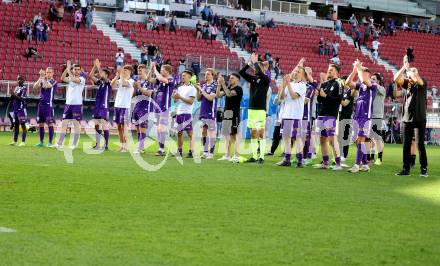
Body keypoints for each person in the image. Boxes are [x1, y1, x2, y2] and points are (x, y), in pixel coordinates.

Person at [394, 55, 428, 177]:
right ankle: (406, 169)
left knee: (419, 144)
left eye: (414, 71)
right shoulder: (408, 84)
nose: (411, 74)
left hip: (420, 117)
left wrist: (410, 70)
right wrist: (404, 67)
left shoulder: (422, 82)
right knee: (406, 144)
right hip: (407, 118)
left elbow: (416, 78)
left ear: (417, 73)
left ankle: (424, 168)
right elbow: (396, 78)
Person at [345, 60, 377, 173]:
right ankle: (365, 165)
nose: (362, 73)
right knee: (358, 141)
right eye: (362, 72)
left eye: (364, 72)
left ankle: (357, 165)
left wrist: (358, 68)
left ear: (368, 74)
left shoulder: (373, 85)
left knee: (361, 140)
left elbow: (364, 79)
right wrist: (354, 70)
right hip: (357, 115)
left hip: (365, 116)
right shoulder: (361, 85)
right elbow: (348, 82)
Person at [239, 53, 271, 164]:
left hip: (261, 110)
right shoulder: (253, 79)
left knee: (261, 133)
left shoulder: (266, 79)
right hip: (251, 109)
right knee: (253, 133)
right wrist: (249, 63)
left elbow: (261, 73)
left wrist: (256, 62)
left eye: (259, 67)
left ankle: (261, 157)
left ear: (263, 69)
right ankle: (254, 156)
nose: (256, 69)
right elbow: (241, 73)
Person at [276, 59, 307, 167]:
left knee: (297, 137)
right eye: (295, 71)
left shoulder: (302, 85)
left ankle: (299, 160)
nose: (295, 72)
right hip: (286, 114)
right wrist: (284, 85)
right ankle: (287, 159)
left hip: (295, 115)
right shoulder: (291, 83)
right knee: (286, 137)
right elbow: (281, 98)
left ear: (302, 75)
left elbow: (294, 96)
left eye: (298, 72)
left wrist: (288, 84)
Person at [314, 64, 343, 170]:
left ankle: (338, 163)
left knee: (331, 138)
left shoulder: (338, 83)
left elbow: (338, 99)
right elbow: (320, 100)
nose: (329, 71)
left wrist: (325, 96)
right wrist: (319, 95)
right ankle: (325, 163)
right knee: (322, 139)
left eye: (331, 70)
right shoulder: (325, 84)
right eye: (328, 69)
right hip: (322, 113)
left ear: (336, 72)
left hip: (331, 114)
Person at [57, 62, 86, 149]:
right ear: (73, 70)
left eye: (78, 69)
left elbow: (74, 80)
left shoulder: (82, 79)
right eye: (75, 69)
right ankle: (60, 143)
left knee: (76, 125)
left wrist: (69, 70)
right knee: (64, 124)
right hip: (68, 104)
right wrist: (67, 68)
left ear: (80, 71)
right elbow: (62, 78)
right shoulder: (70, 77)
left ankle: (74, 144)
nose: (77, 71)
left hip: (77, 104)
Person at [149, 63, 176, 156]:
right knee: (158, 129)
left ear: (167, 71)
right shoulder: (160, 79)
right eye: (161, 70)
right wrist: (151, 69)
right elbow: (149, 79)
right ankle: (161, 148)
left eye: (162, 70)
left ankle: (162, 149)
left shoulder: (171, 79)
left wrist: (155, 70)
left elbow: (161, 78)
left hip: (165, 107)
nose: (161, 71)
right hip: (157, 106)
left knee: (162, 128)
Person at [216, 73, 243, 162]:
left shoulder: (238, 89)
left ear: (237, 80)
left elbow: (229, 94)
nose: (230, 79)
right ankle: (227, 155)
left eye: (232, 78)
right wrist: (219, 85)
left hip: (234, 113)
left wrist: (223, 84)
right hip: (226, 113)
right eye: (230, 78)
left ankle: (236, 155)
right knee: (227, 135)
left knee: (235, 134)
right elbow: (218, 95)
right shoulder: (229, 87)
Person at [88, 59, 112, 150]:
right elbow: (90, 76)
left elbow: (102, 76)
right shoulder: (100, 82)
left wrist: (98, 67)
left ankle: (106, 145)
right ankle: (98, 144)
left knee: (104, 124)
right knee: (96, 124)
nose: (100, 74)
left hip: (103, 106)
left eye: (103, 73)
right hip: (97, 106)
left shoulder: (107, 82)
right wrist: (94, 66)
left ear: (106, 75)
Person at [111, 65, 135, 153]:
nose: (123, 72)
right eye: (123, 70)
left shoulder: (131, 81)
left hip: (125, 106)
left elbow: (125, 84)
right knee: (119, 127)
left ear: (129, 72)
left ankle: (126, 146)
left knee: (124, 127)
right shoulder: (120, 79)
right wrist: (117, 76)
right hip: (117, 105)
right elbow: (112, 85)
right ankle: (121, 145)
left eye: (125, 70)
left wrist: (120, 75)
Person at [173, 70, 197, 158]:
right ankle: (179, 150)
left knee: (190, 133)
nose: (182, 77)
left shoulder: (192, 88)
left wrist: (179, 97)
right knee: (179, 133)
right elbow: (177, 101)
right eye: (182, 75)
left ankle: (191, 151)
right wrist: (175, 97)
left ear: (189, 77)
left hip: (187, 113)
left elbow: (190, 101)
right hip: (179, 112)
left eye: (184, 75)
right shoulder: (180, 88)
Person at [195, 68, 218, 159]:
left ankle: (211, 153)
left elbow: (210, 98)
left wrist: (201, 89)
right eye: (205, 74)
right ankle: (205, 152)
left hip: (210, 112)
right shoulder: (204, 85)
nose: (206, 75)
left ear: (213, 75)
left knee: (211, 133)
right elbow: (199, 99)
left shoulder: (215, 85)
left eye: (208, 74)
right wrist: (198, 90)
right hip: (203, 112)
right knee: (204, 132)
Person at [132, 64, 154, 154]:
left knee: (142, 129)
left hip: (144, 108)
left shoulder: (149, 82)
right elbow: (133, 95)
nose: (139, 72)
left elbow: (149, 93)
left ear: (145, 71)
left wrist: (139, 87)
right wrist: (134, 87)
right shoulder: (138, 82)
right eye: (138, 70)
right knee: (138, 129)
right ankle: (141, 147)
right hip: (137, 107)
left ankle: (140, 148)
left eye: (140, 70)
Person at [34, 67, 57, 147]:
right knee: (40, 124)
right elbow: (35, 86)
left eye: (50, 72)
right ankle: (41, 142)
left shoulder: (54, 82)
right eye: (47, 72)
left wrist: (43, 78)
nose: (48, 74)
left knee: (50, 123)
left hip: (48, 106)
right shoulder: (43, 79)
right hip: (41, 105)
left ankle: (50, 142)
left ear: (53, 73)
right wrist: (40, 77)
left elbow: (47, 86)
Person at [370, 73, 386, 165]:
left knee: (377, 138)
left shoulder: (381, 89)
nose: (372, 80)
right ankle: (371, 157)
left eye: (374, 79)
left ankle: (380, 157)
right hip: (370, 116)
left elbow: (379, 89)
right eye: (371, 79)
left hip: (377, 116)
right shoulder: (371, 89)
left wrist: (373, 83)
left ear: (378, 81)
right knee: (370, 138)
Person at [302, 67, 317, 165]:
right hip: (299, 113)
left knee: (308, 135)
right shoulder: (300, 84)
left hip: (309, 114)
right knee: (300, 136)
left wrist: (307, 73)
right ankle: (302, 155)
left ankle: (308, 155)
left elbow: (314, 84)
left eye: (310, 73)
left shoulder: (312, 85)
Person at [338, 76, 354, 162]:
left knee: (345, 136)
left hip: (346, 117)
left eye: (342, 82)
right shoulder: (344, 92)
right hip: (341, 116)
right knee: (340, 136)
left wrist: (338, 97)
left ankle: (344, 155)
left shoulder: (350, 92)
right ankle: (340, 154)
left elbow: (345, 103)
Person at [9, 75, 27, 146]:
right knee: (16, 126)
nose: (19, 80)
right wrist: (12, 95)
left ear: (23, 80)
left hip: (21, 109)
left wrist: (14, 95)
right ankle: (15, 141)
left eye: (20, 79)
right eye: (18, 79)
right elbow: (13, 98)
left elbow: (22, 98)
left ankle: (23, 142)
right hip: (15, 109)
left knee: (23, 125)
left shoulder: (24, 88)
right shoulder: (16, 88)